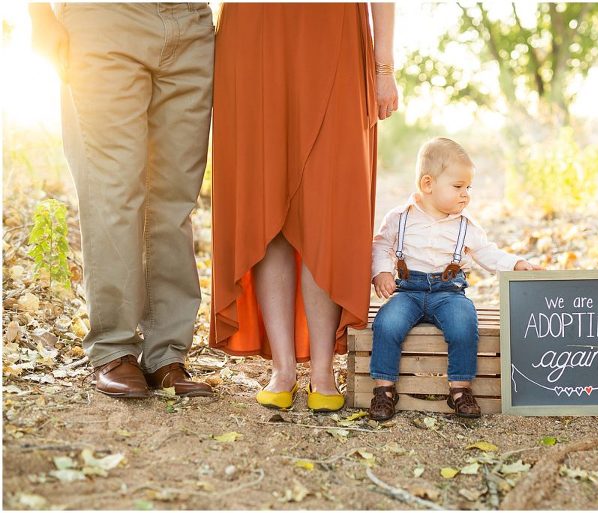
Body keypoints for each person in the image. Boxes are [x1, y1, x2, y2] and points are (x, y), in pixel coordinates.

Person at [210, 4, 398, 412]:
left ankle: (323, 371)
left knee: (327, 204)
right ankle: (282, 369)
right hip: (253, 32)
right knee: (264, 195)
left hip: (336, 35)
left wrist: (384, 68)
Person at [29, 3, 215, 398]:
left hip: (190, 22)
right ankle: (113, 349)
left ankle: (167, 354)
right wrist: (38, 14)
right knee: (112, 192)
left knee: (175, 199)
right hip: (104, 16)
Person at [368, 137, 541, 420]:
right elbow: (382, 245)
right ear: (428, 184)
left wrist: (515, 264)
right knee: (387, 323)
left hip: (448, 293)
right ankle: (384, 390)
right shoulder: (400, 218)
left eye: (468, 188)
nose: (466, 195)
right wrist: (382, 272)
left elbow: (487, 253)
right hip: (408, 291)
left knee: (464, 323)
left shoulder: (466, 226)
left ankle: (460, 389)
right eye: (458, 187)